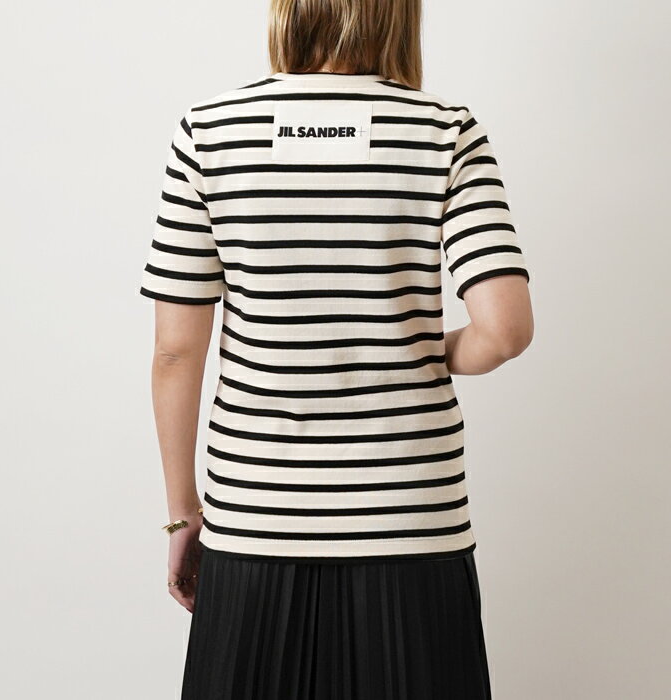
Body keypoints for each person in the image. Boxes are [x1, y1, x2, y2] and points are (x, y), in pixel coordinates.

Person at [139, 0, 533, 697]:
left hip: (256, 515)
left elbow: (176, 352)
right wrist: (420, 349)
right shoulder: (443, 129)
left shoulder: (211, 130)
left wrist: (183, 514)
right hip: (412, 515)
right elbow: (504, 331)